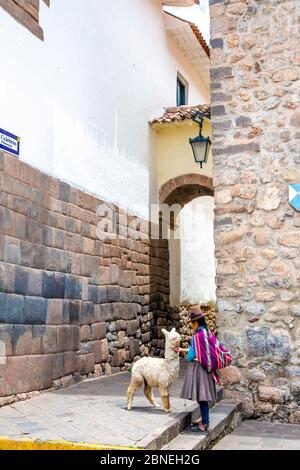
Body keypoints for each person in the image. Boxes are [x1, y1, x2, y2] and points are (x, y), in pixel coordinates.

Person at [176, 305, 216, 432]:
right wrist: (182, 349)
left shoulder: (197, 336)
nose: (191, 325)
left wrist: (187, 353)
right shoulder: (207, 333)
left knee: (201, 397)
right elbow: (202, 351)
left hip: (199, 370)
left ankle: (205, 424)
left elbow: (191, 356)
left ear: (196, 322)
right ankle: (205, 419)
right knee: (203, 397)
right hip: (207, 368)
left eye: (192, 323)